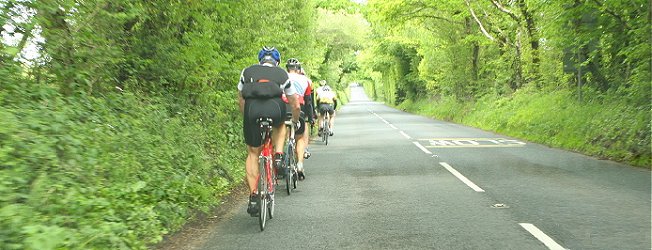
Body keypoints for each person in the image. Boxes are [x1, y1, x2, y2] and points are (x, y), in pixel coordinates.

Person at [238, 46, 301, 216]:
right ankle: (279, 155)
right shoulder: (282, 74)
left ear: (260, 60)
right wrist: (295, 119)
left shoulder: (247, 71)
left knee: (252, 153)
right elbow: (294, 103)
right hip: (275, 109)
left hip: (252, 110)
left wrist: (248, 118)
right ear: (277, 61)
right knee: (281, 125)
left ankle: (253, 196)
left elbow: (241, 100)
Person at [285, 58, 313, 180]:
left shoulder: (282, 76)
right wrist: (310, 117)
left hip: (283, 108)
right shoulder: (306, 80)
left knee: (280, 132)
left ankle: (279, 157)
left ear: (287, 69)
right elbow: (308, 102)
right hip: (299, 109)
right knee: (300, 138)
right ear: (299, 69)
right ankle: (300, 164)